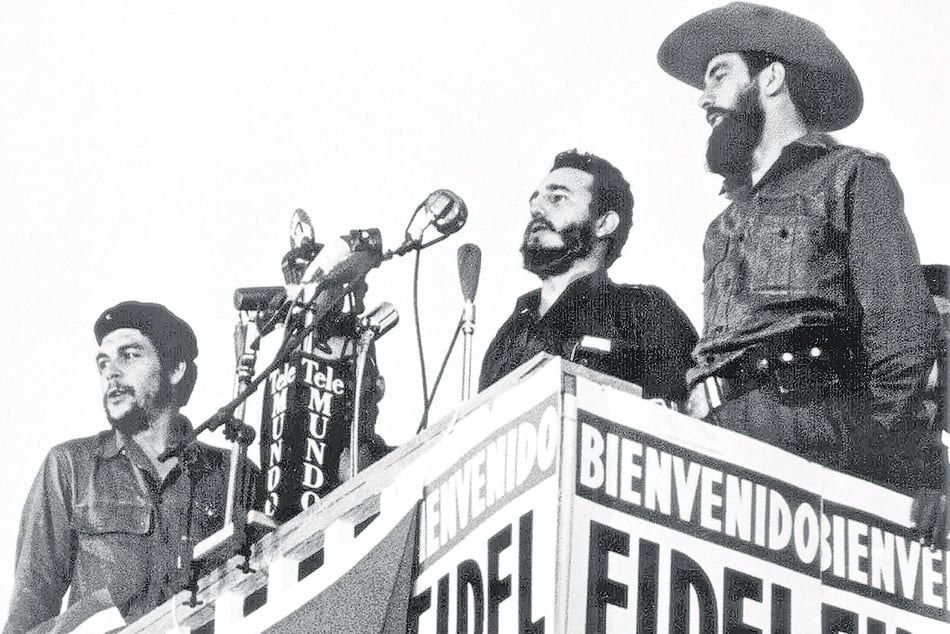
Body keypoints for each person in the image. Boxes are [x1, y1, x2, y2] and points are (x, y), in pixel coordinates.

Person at [656, 3, 939, 482]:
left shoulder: (851, 174)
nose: (703, 99)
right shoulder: (722, 226)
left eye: (718, 75)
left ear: (771, 78)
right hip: (712, 435)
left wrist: (877, 459)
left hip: (804, 430)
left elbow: (901, 330)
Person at [4, 301, 259, 633]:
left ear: (175, 369)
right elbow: (29, 608)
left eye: (129, 355)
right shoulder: (70, 466)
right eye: (103, 363)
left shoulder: (234, 473)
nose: (111, 372)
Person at [478, 149, 697, 406]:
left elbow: (687, 418)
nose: (537, 209)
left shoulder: (645, 310)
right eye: (534, 202)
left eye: (557, 198)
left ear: (603, 224)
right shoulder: (509, 334)